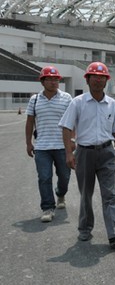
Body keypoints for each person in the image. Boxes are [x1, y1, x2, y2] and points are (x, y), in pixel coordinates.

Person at [59, 62, 115, 248]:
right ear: (87, 79)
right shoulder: (78, 102)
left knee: (110, 194)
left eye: (102, 77)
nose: (98, 80)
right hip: (84, 153)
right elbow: (66, 127)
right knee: (86, 194)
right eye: (94, 77)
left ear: (106, 81)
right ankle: (85, 228)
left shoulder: (112, 104)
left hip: (107, 152)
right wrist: (69, 153)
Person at [25, 66, 73, 223]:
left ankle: (60, 193)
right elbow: (30, 122)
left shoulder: (66, 98)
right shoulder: (35, 99)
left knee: (65, 177)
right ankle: (47, 208)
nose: (54, 82)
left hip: (62, 146)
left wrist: (72, 141)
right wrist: (28, 143)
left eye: (56, 79)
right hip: (42, 147)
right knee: (44, 177)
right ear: (42, 81)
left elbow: (74, 121)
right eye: (50, 79)